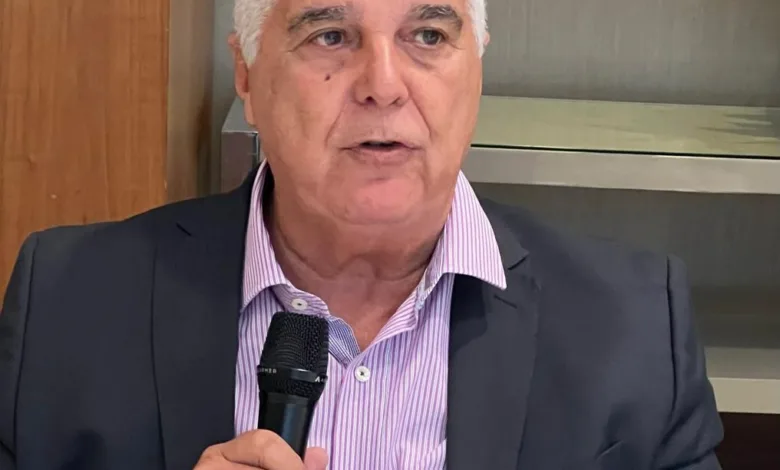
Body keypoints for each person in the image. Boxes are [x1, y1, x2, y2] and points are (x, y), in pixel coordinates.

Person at [0, 0, 724, 468]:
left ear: (477, 70)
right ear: (246, 76)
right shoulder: (69, 303)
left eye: (428, 35)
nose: (383, 84)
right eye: (330, 35)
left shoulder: (632, 323)